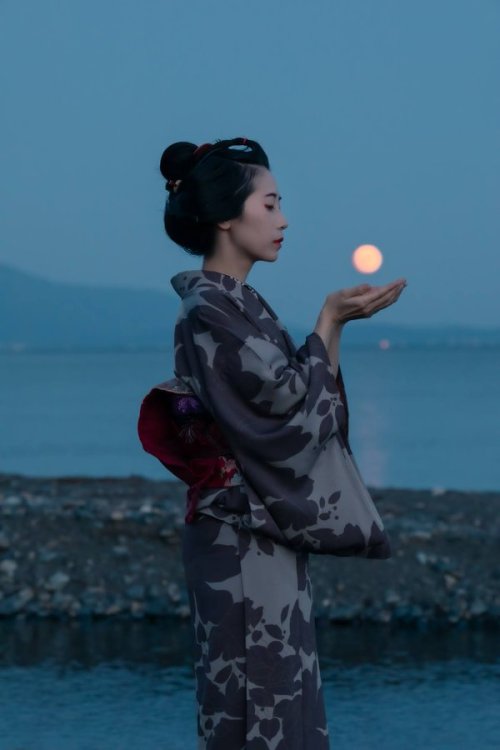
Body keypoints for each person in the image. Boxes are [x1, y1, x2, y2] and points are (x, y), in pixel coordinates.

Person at [137, 136, 406, 749]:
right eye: (270, 203)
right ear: (227, 217)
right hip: (238, 535)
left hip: (260, 531)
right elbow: (286, 417)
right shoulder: (209, 310)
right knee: (254, 705)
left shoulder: (240, 306)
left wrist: (331, 329)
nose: (283, 219)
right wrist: (328, 324)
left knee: (282, 697)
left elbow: (310, 417)